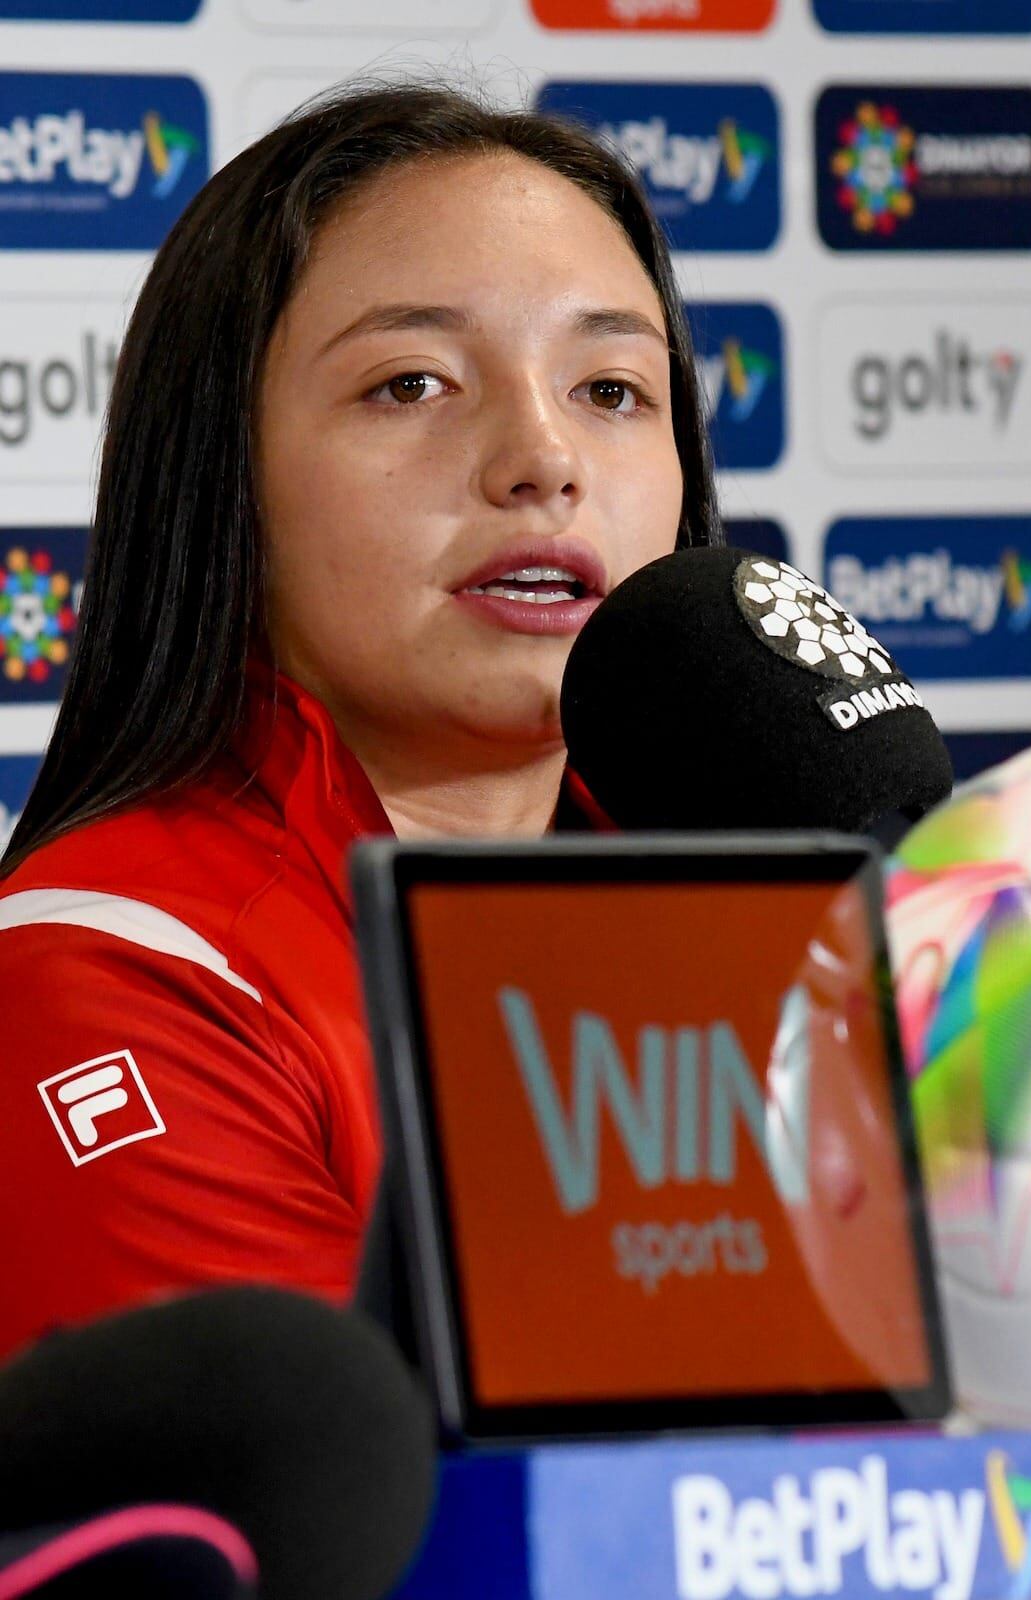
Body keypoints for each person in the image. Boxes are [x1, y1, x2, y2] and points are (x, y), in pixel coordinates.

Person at [0, 82, 719, 1365]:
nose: (542, 458)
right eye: (412, 382)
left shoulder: (779, 937)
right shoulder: (109, 975)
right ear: (222, 477)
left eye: (611, 388)